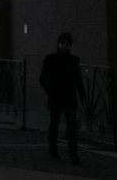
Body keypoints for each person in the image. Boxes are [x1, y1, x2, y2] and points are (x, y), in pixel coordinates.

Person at [39, 32, 86, 164]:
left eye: (67, 44)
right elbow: (43, 78)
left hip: (68, 96)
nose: (65, 46)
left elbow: (77, 79)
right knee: (55, 124)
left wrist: (82, 94)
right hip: (57, 95)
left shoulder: (73, 60)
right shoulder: (50, 59)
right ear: (58, 44)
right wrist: (50, 91)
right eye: (63, 43)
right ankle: (54, 150)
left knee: (70, 125)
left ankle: (73, 154)